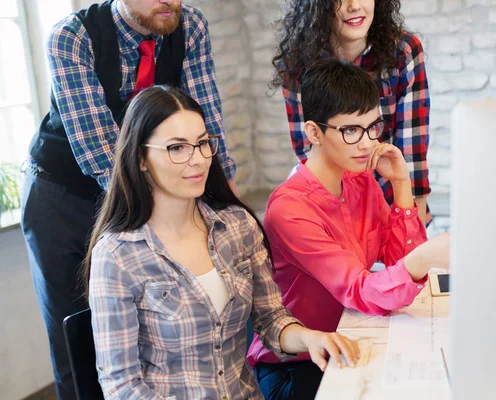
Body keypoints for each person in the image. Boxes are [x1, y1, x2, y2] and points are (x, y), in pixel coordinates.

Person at [20, 1, 237, 398]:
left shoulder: (191, 26)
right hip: (63, 197)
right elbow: (102, 153)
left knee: (142, 330)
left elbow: (207, 126)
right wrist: (167, 215)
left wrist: (225, 204)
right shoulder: (71, 37)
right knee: (78, 339)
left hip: (145, 190)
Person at [85, 86, 359, 400]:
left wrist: (309, 339)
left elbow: (271, 320)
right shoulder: (117, 257)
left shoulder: (237, 227)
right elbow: (122, 387)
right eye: (177, 148)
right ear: (141, 158)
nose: (198, 159)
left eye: (203, 143)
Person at [247, 59, 450, 400]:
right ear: (314, 132)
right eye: (351, 130)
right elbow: (362, 289)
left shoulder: (359, 179)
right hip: (297, 364)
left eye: (373, 127)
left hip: (351, 334)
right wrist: (425, 258)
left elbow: (398, 261)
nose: (368, 143)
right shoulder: (289, 209)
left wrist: (401, 184)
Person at [271, 0, 432, 226]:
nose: (354, 5)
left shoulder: (403, 51)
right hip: (333, 205)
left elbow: (412, 155)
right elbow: (308, 150)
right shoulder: (298, 61)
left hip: (394, 197)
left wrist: (413, 228)